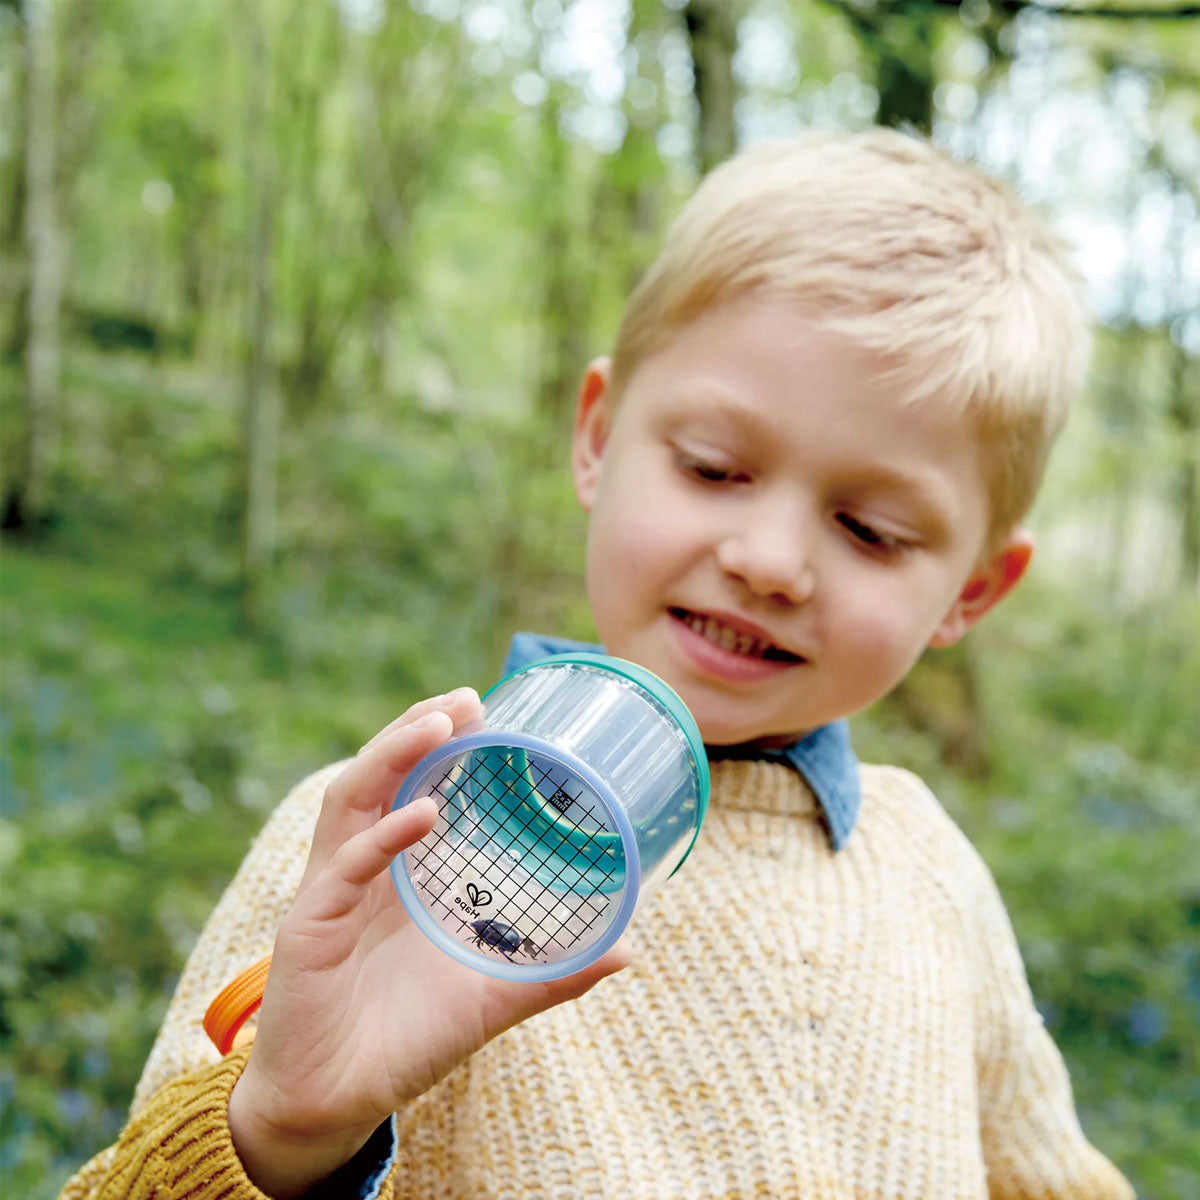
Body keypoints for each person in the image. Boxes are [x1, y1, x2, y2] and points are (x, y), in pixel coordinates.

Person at [60, 129, 1134, 1199]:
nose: (768, 563)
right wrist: (284, 1130)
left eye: (871, 530)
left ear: (973, 593)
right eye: (715, 469)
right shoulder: (383, 844)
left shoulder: (929, 875)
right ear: (596, 436)